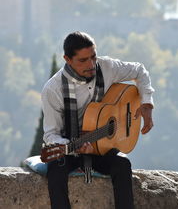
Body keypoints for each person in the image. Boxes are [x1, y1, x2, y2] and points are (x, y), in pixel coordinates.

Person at [41, 31, 154, 209]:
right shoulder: (53, 89)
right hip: (70, 148)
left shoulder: (107, 67)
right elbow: (51, 134)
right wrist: (72, 146)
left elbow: (139, 70)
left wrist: (147, 103)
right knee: (56, 170)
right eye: (83, 60)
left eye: (93, 57)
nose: (91, 64)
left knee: (122, 165)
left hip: (102, 147)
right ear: (67, 59)